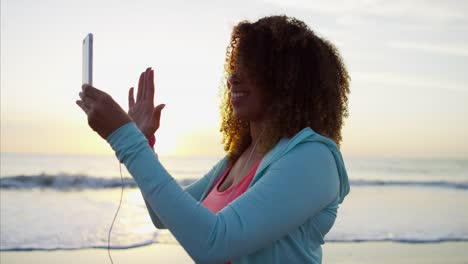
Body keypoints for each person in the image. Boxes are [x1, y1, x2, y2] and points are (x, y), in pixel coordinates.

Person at [76, 15, 350, 264]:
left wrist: (125, 138)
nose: (233, 77)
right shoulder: (242, 157)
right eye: (235, 66)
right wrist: (143, 139)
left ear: (290, 79)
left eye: (251, 67)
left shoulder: (314, 158)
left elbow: (214, 243)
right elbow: (163, 217)